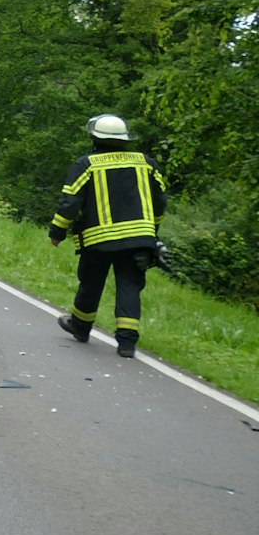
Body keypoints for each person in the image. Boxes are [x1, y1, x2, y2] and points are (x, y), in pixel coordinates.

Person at [48, 114, 167, 359]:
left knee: (91, 282)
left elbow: (71, 202)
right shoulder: (147, 164)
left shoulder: (87, 164)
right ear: (125, 140)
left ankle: (80, 327)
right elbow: (160, 201)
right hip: (138, 239)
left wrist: (57, 231)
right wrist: (152, 233)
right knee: (130, 285)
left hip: (98, 239)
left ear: (95, 138)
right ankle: (127, 343)